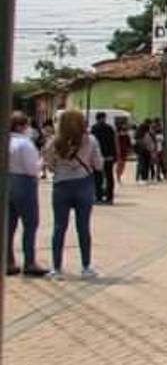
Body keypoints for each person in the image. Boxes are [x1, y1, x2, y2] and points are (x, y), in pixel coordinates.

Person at [43, 109, 103, 279]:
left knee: (59, 227)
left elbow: (50, 166)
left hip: (61, 185)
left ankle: (56, 268)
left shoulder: (53, 142)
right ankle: (85, 267)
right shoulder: (90, 140)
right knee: (83, 227)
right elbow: (98, 165)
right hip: (84, 184)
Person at [7, 112, 48, 277]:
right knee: (30, 224)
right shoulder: (25, 144)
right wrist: (42, 162)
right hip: (24, 182)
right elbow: (32, 168)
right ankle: (29, 262)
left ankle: (8, 261)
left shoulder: (6, 141)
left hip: (8, 181)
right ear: (20, 126)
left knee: (9, 225)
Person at [90, 112, 117, 204]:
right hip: (109, 156)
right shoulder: (110, 128)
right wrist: (114, 155)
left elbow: (92, 144)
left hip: (98, 156)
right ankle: (110, 198)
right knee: (109, 177)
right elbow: (113, 143)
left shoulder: (94, 128)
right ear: (104, 118)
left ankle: (99, 197)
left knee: (98, 177)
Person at [115, 118, 131, 185]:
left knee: (123, 165)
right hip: (119, 151)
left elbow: (128, 143)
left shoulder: (126, 135)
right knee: (120, 164)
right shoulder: (117, 135)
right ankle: (118, 177)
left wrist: (129, 149)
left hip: (124, 152)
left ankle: (119, 175)